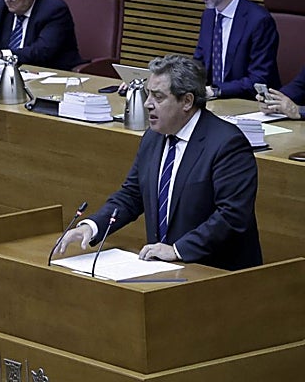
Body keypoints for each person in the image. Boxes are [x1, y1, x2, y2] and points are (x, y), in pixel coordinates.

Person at [56, 54, 261, 271]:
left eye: (158, 97)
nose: (147, 104)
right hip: (165, 271)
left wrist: (177, 250)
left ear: (187, 101)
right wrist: (93, 226)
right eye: (148, 94)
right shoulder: (154, 137)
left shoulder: (227, 144)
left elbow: (232, 216)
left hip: (218, 273)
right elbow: (132, 195)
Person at [189, 0, 280, 100]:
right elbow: (199, 63)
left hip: (250, 107)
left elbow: (259, 80)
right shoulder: (209, 15)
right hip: (214, 105)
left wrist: (216, 91)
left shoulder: (259, 21)